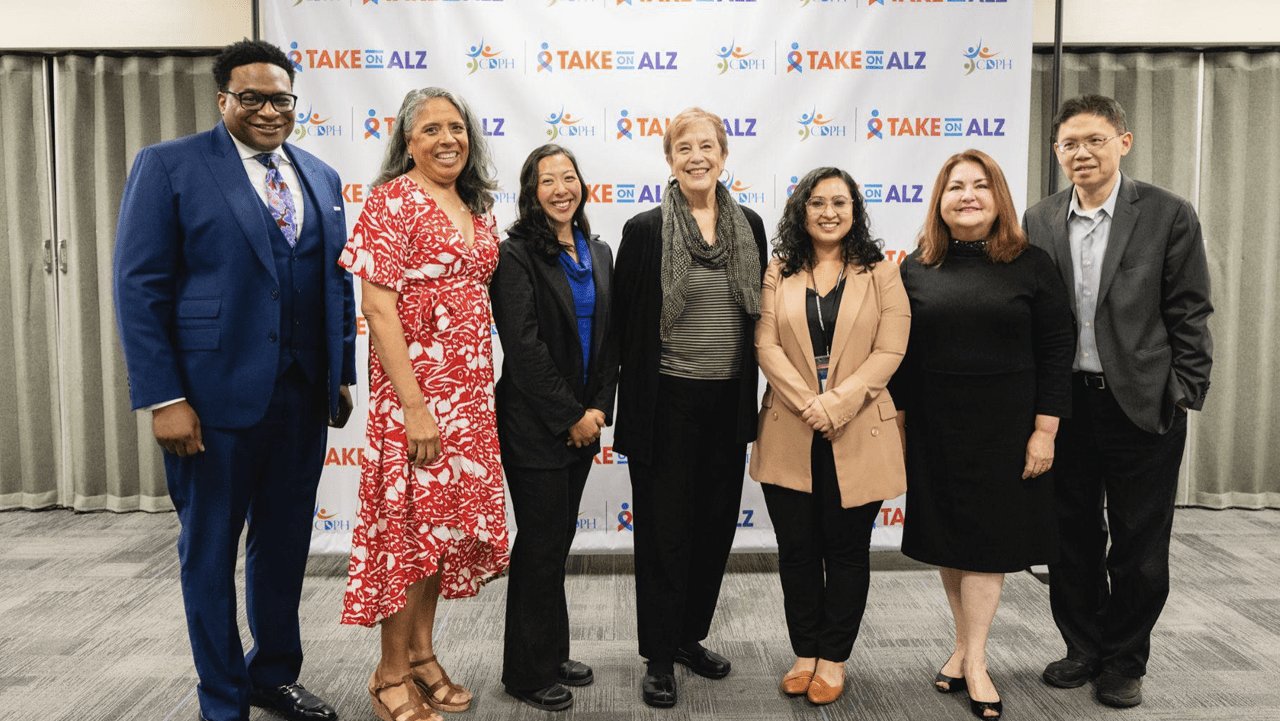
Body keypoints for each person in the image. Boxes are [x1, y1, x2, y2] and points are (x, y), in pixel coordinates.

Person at [112, 39, 354, 721]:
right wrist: (164, 397)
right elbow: (140, 286)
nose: (269, 110)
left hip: (302, 397)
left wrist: (341, 373)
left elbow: (337, 281)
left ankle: (272, 674)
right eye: (252, 97)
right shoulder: (169, 166)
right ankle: (222, 697)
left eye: (281, 97)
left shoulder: (322, 176)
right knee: (210, 555)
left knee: (282, 549)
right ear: (223, 99)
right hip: (209, 402)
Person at [1023, 95, 1213, 709]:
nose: (1081, 153)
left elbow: (1189, 308)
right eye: (1069, 144)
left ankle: (1125, 659)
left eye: (1095, 141)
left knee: (1139, 545)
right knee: (1070, 538)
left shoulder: (1167, 213)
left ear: (1122, 143)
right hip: (1065, 408)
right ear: (1057, 152)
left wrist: (1185, 390)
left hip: (1141, 404)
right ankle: (1083, 648)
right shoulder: (1040, 218)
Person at [337, 87, 509, 721]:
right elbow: (378, 308)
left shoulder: (476, 205)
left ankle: (422, 655)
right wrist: (414, 405)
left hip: (470, 397)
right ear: (407, 142)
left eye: (456, 127)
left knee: (438, 533)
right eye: (431, 129)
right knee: (407, 535)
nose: (447, 139)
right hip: (417, 397)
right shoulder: (391, 201)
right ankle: (388, 673)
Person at [894, 150, 1075, 721]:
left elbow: (1055, 350)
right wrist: (897, 431)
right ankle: (964, 647)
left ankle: (976, 662)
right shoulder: (915, 268)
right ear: (939, 202)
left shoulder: (1032, 264)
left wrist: (1045, 431)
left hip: (1006, 428)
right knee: (951, 540)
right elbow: (899, 358)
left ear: (998, 197)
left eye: (979, 186)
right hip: (934, 427)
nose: (967, 196)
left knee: (986, 547)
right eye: (955, 187)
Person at [613, 106, 768, 709]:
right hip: (666, 405)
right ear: (670, 159)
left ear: (724, 156)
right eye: (685, 147)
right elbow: (625, 329)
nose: (697, 156)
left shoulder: (748, 226)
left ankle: (687, 638)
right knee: (663, 535)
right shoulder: (645, 230)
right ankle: (657, 654)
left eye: (708, 145)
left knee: (712, 530)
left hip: (729, 402)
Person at [750, 167, 910, 705]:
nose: (828, 212)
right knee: (796, 550)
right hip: (790, 427)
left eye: (840, 202)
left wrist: (837, 404)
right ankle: (804, 652)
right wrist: (809, 404)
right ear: (802, 211)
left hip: (858, 427)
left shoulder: (881, 273)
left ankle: (834, 658)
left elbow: (890, 351)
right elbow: (766, 346)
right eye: (817, 202)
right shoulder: (779, 270)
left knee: (845, 551)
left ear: (855, 210)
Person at [491, 144, 619, 711]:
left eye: (570, 177)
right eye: (548, 180)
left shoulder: (599, 250)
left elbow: (611, 341)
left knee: (557, 541)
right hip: (535, 424)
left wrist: (595, 411)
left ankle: (551, 651)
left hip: (584, 422)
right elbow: (523, 348)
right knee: (541, 545)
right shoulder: (515, 255)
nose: (562, 188)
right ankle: (524, 670)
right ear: (531, 191)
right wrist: (570, 414)